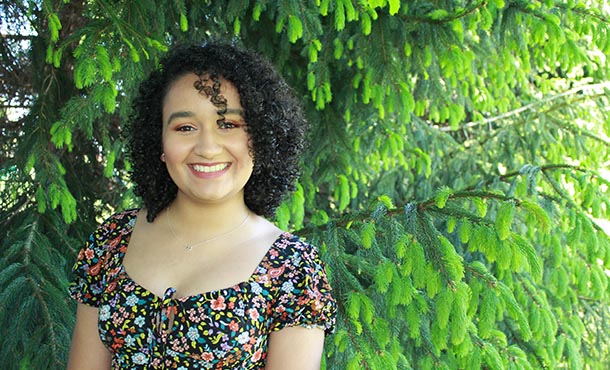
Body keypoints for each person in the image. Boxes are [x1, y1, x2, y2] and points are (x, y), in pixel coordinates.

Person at [67, 41, 336, 370]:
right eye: (185, 127)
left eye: (228, 125)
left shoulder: (293, 268)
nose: (207, 148)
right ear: (159, 143)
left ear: (261, 138)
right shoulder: (113, 240)